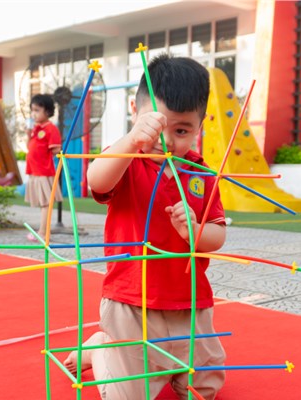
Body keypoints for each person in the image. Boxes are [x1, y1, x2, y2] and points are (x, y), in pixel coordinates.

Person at [64, 54, 227, 399]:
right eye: (154, 125)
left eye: (181, 130)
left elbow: (217, 236)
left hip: (189, 302)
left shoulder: (202, 174)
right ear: (134, 112)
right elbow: (96, 179)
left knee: (204, 391)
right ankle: (102, 348)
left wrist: (195, 232)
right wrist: (131, 141)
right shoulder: (125, 160)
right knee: (126, 397)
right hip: (131, 302)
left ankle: (171, 370)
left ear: (200, 126)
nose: (165, 141)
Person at [25, 94, 63, 241]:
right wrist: (28, 135)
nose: (33, 114)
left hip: (44, 171)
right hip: (35, 170)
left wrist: (53, 152)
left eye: (37, 110)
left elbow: (56, 149)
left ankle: (43, 232)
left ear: (47, 111)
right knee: (43, 203)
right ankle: (42, 230)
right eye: (32, 110)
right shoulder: (36, 128)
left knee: (46, 203)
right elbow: (30, 146)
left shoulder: (51, 129)